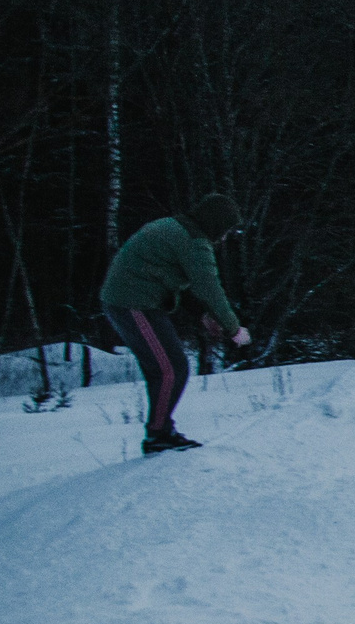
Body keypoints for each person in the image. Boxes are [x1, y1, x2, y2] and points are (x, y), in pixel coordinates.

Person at [100, 193, 251, 455]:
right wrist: (234, 328)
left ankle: (161, 430)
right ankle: (157, 435)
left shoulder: (175, 227)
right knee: (172, 369)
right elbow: (210, 289)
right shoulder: (194, 241)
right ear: (215, 223)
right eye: (225, 230)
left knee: (165, 369)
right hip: (131, 304)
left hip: (133, 301)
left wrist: (201, 315)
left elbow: (176, 279)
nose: (224, 237)